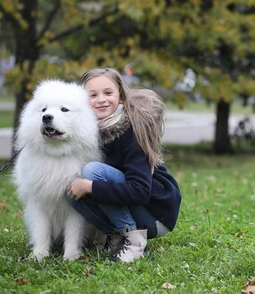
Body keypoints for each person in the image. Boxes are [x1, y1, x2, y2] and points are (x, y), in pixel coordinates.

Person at [66, 67, 182, 262]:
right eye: (92, 95)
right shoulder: (92, 132)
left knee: (92, 172)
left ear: (120, 96)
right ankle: (115, 237)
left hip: (155, 215)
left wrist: (91, 186)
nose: (101, 99)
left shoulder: (131, 131)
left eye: (108, 93)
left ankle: (133, 242)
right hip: (138, 209)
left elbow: (139, 191)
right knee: (69, 190)